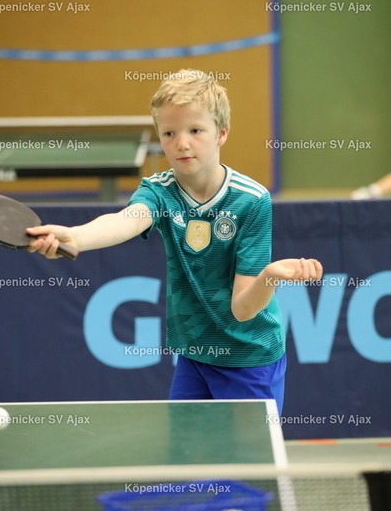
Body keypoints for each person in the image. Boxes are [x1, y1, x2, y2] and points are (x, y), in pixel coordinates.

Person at [28, 69, 322, 413]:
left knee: (243, 451)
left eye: (195, 130)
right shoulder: (159, 191)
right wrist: (76, 236)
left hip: (248, 357)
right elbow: (127, 219)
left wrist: (269, 276)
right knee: (187, 448)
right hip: (194, 353)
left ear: (222, 132)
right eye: (169, 133)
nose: (181, 143)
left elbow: (243, 310)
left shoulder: (251, 201)